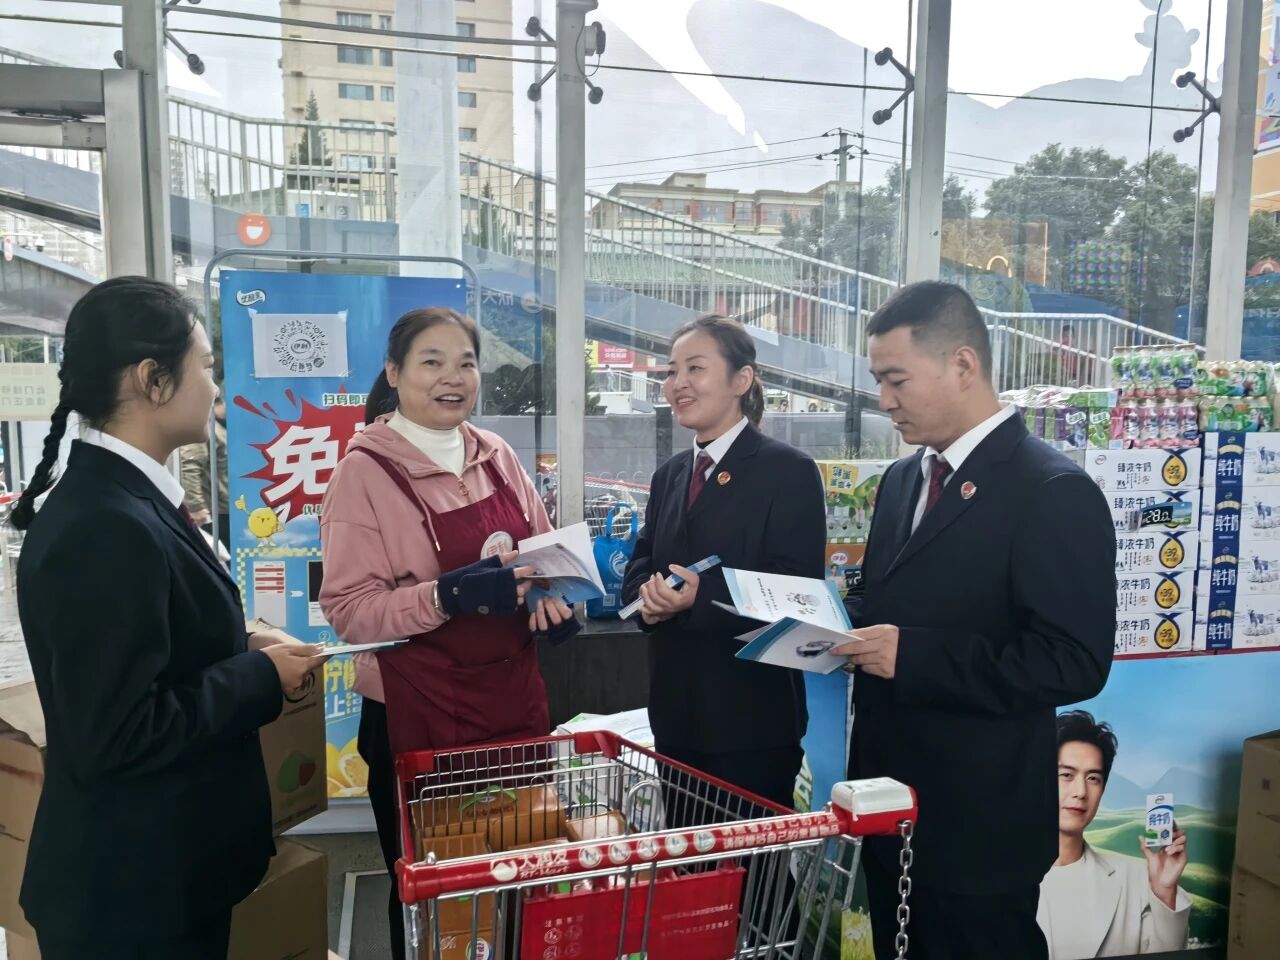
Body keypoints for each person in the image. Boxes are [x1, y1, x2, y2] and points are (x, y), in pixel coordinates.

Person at [11, 277, 324, 960]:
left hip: (161, 877)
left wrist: (244, 640)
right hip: (131, 899)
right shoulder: (103, 526)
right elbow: (117, 732)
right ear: (152, 379)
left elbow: (152, 645)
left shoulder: (130, 502)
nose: (215, 388)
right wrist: (259, 677)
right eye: (206, 367)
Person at [831, 281, 1116, 960]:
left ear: (963, 365)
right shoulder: (903, 480)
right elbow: (893, 606)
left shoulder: (1050, 490)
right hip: (889, 806)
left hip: (977, 829)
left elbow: (1074, 660)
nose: (884, 400)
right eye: (877, 381)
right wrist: (827, 625)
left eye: (897, 379)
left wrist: (913, 657)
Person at [319, 307, 578, 960]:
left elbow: (542, 556)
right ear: (394, 373)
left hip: (511, 705)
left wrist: (551, 600)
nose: (452, 377)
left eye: (465, 363)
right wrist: (445, 596)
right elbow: (350, 610)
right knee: (434, 894)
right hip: (418, 712)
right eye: (431, 362)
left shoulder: (497, 455)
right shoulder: (364, 473)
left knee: (522, 870)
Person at [621, 314, 825, 810]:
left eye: (695, 368)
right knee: (687, 856)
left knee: (751, 860)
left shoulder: (788, 471)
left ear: (741, 379)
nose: (678, 384)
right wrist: (646, 597)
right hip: (676, 716)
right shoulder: (670, 475)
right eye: (672, 371)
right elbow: (643, 559)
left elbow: (800, 591)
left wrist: (700, 598)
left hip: (752, 721)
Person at [1039, 711, 1190, 958]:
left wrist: (1165, 892)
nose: (1080, 791)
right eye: (1066, 775)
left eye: (1093, 778)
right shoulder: (999, 878)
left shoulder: (1136, 880)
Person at [179, 395, 230, 549]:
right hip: (214, 510)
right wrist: (196, 506)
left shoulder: (225, 425)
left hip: (228, 506)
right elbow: (190, 465)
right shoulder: (204, 424)